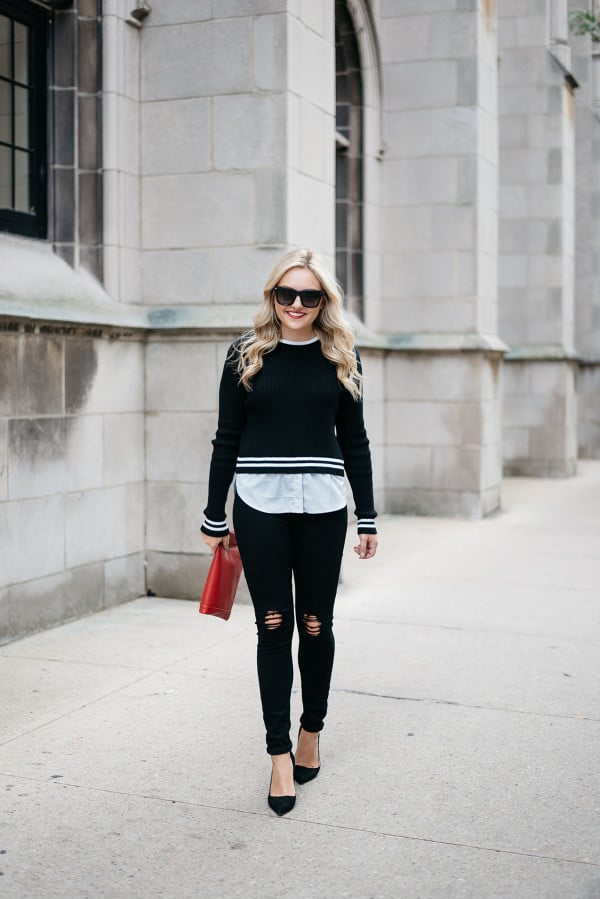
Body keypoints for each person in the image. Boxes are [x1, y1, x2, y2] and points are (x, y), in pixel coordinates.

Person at [200, 248, 378, 816]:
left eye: (309, 295)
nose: (296, 304)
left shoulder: (341, 355)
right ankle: (278, 754)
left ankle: (311, 731)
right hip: (260, 505)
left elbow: (355, 441)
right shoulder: (245, 354)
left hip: (324, 507)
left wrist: (368, 516)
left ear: (324, 301)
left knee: (316, 624)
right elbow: (227, 437)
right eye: (287, 293)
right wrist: (214, 514)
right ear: (272, 295)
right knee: (273, 624)